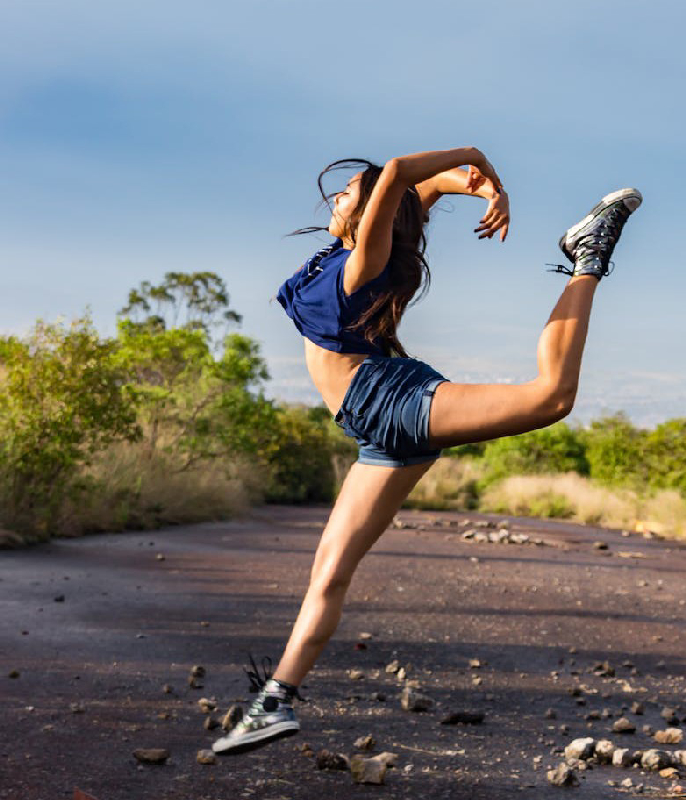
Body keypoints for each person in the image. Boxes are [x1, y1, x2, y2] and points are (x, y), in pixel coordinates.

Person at [212, 147, 642, 755]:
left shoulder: (365, 261)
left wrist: (475, 156)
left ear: (372, 213)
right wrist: (484, 188)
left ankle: (589, 255)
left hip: (391, 401)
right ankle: (273, 704)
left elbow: (398, 175)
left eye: (347, 194)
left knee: (551, 397)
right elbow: (427, 185)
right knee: (329, 572)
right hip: (372, 431)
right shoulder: (352, 253)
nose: (335, 199)